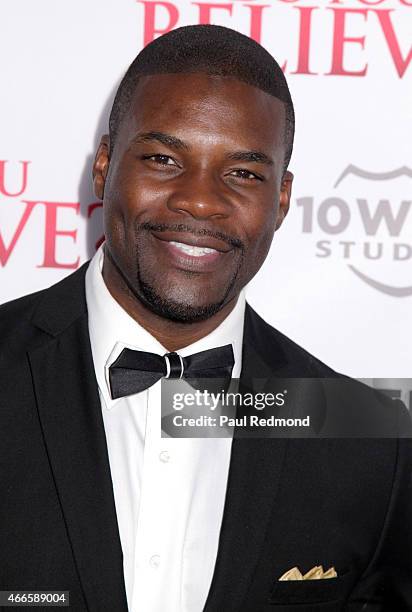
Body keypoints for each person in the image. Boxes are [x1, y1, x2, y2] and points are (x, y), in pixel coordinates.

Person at [0, 24, 411, 612]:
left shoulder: (365, 438)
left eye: (243, 173)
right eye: (164, 158)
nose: (200, 200)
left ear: (283, 199)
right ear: (104, 167)